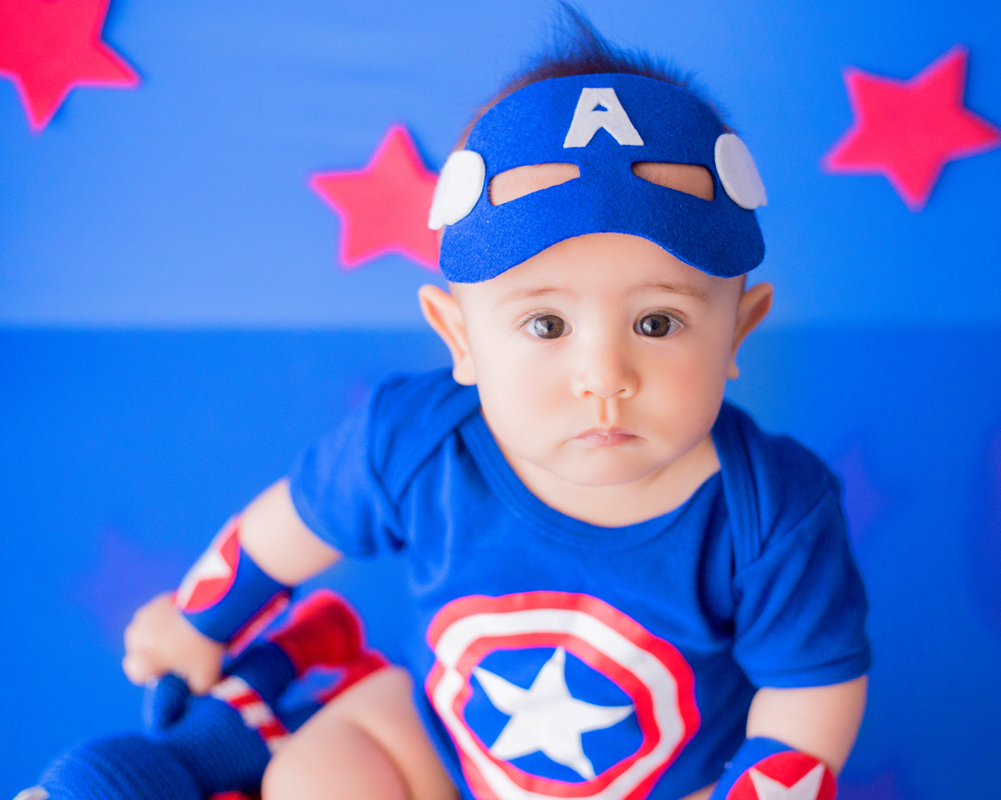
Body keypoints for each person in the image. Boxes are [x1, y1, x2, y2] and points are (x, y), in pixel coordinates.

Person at [123, 10, 871, 800]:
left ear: (738, 331)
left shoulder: (773, 514)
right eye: (546, 325)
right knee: (318, 774)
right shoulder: (417, 441)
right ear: (460, 338)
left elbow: (809, 695)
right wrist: (198, 619)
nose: (603, 376)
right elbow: (292, 525)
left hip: (667, 782)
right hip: (445, 743)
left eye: (657, 323)